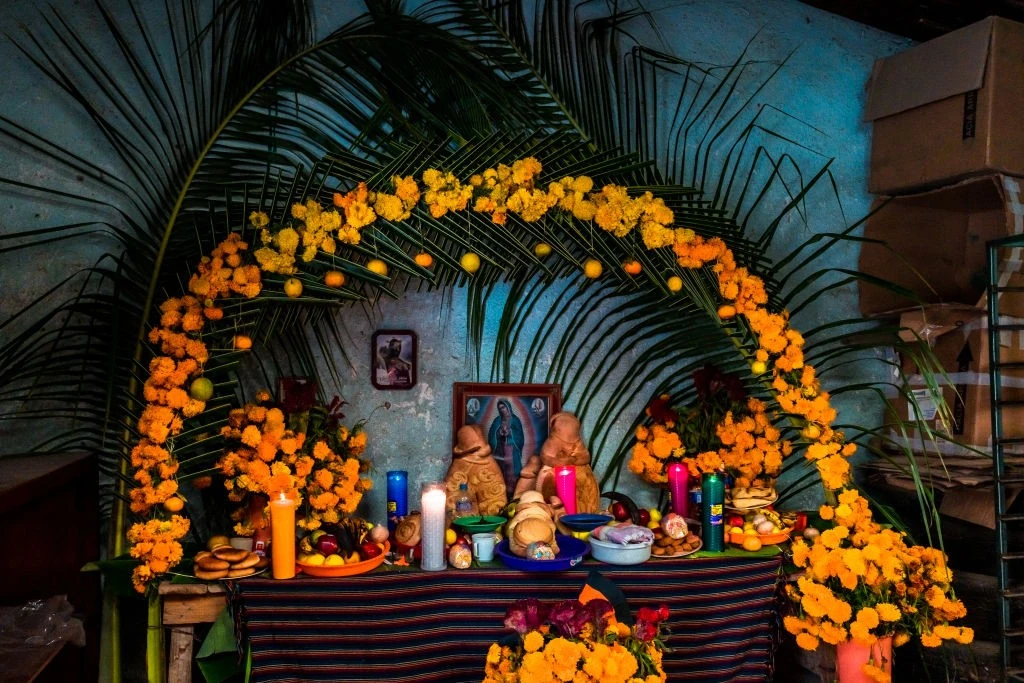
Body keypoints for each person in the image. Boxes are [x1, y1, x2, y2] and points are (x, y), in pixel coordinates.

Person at [488, 398, 525, 497]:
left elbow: (520, 436)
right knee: (500, 470)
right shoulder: (497, 420)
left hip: (511, 450)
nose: (502, 410)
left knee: (512, 471)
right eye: (500, 408)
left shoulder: (515, 420)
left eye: (503, 407)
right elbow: (491, 434)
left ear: (508, 407)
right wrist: (499, 432)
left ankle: (513, 493)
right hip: (500, 450)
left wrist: (510, 433)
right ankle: (500, 492)